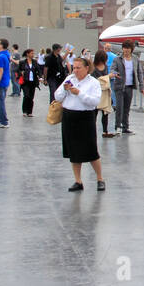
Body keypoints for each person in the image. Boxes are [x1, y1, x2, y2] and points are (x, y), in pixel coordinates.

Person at [55, 55, 104, 192]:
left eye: (78, 68)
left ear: (87, 68)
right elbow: (57, 96)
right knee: (73, 151)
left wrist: (79, 93)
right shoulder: (69, 79)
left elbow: (94, 101)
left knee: (91, 150)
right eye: (74, 67)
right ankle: (78, 181)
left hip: (85, 117)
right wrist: (64, 89)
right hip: (69, 116)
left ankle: (100, 178)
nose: (75, 71)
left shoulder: (93, 82)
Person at [110, 41, 143, 134]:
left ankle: (125, 127)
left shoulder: (135, 59)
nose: (126, 50)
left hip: (130, 86)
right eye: (124, 48)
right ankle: (117, 126)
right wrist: (114, 73)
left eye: (128, 48)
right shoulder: (117, 59)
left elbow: (139, 72)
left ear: (131, 49)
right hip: (119, 86)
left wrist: (141, 86)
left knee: (127, 108)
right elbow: (113, 68)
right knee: (119, 107)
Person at [94, 42, 116, 138]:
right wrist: (108, 76)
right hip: (96, 93)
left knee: (105, 113)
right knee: (94, 113)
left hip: (105, 92)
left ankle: (105, 131)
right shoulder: (93, 68)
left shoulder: (106, 67)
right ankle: (92, 130)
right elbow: (96, 81)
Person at [19, 47, 40, 116]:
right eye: (31, 53)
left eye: (33, 53)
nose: (33, 54)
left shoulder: (35, 62)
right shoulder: (22, 62)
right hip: (25, 81)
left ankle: (30, 112)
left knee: (31, 97)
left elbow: (38, 70)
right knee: (26, 95)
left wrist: (40, 76)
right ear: (27, 54)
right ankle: (24, 111)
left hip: (33, 81)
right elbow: (18, 70)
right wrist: (21, 73)